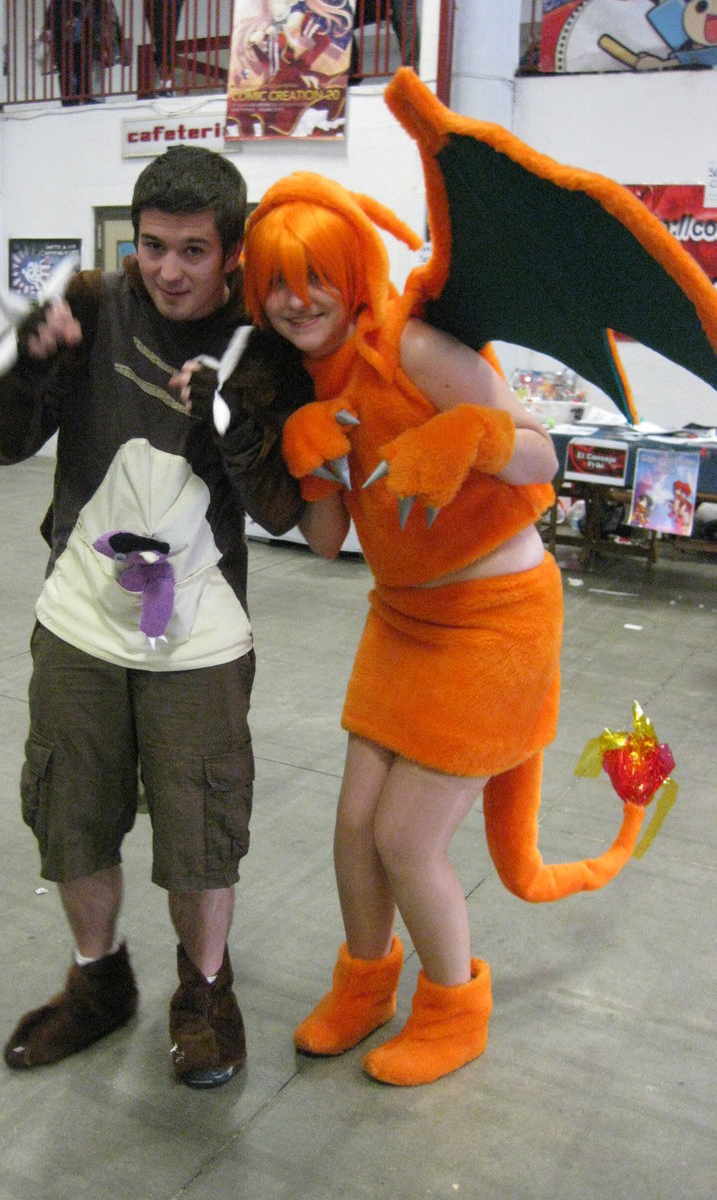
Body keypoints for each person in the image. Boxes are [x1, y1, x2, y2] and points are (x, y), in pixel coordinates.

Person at [0, 145, 309, 1087]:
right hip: (79, 617)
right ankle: (98, 980)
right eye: (153, 246)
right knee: (71, 812)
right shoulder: (90, 304)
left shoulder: (260, 344)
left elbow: (284, 509)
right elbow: (5, 445)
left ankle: (204, 993)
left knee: (201, 825)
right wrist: (22, 363)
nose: (168, 269)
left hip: (200, 631)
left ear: (232, 253)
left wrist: (231, 420)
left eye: (193, 250)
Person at [239, 172, 564, 1086]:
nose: (297, 300)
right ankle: (366, 986)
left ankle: (455, 1010)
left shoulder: (411, 344)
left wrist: (468, 438)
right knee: (354, 826)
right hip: (403, 616)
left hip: (497, 620)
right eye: (276, 283)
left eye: (315, 276)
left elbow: (542, 451)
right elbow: (328, 542)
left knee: (407, 839)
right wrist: (310, 458)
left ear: (352, 271)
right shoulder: (305, 379)